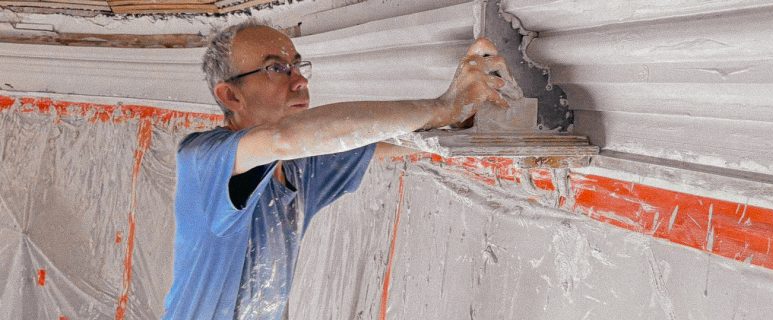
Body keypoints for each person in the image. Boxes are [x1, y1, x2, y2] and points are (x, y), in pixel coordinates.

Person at [161, 21, 514, 319]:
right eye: (276, 68)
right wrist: (442, 107)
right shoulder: (202, 159)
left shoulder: (302, 170)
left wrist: (463, 118)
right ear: (231, 97)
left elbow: (392, 140)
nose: (299, 80)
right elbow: (285, 138)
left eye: (298, 66)